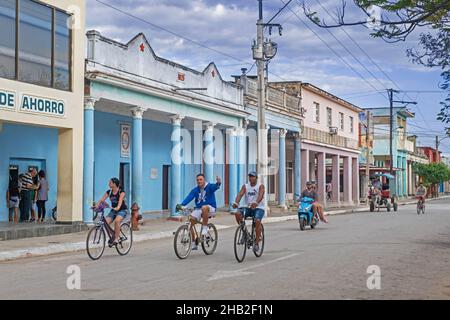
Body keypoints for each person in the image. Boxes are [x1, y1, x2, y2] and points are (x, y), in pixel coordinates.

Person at [178, 174, 221, 250]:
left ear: (204, 180)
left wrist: (218, 183)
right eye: (197, 180)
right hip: (199, 209)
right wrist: (181, 205)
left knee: (204, 207)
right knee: (190, 222)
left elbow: (215, 187)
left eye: (201, 179)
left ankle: (205, 227)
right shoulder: (195, 190)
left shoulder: (209, 187)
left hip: (210, 208)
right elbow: (189, 198)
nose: (199, 181)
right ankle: (194, 243)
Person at [232, 171, 265, 252]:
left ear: (256, 178)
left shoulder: (260, 186)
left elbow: (261, 195)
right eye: (250, 176)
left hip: (259, 208)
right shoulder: (245, 186)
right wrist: (236, 202)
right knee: (237, 213)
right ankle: (244, 232)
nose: (251, 178)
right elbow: (240, 194)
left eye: (253, 176)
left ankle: (257, 242)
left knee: (257, 220)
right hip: (248, 207)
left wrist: (256, 203)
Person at [95, 178, 128, 245]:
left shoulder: (121, 192)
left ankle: (116, 239)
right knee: (105, 223)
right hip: (113, 210)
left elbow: (120, 201)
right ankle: (115, 234)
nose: (109, 184)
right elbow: (102, 200)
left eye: (110, 183)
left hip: (122, 210)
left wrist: (118, 207)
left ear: (115, 184)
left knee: (117, 221)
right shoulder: (109, 192)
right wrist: (96, 205)